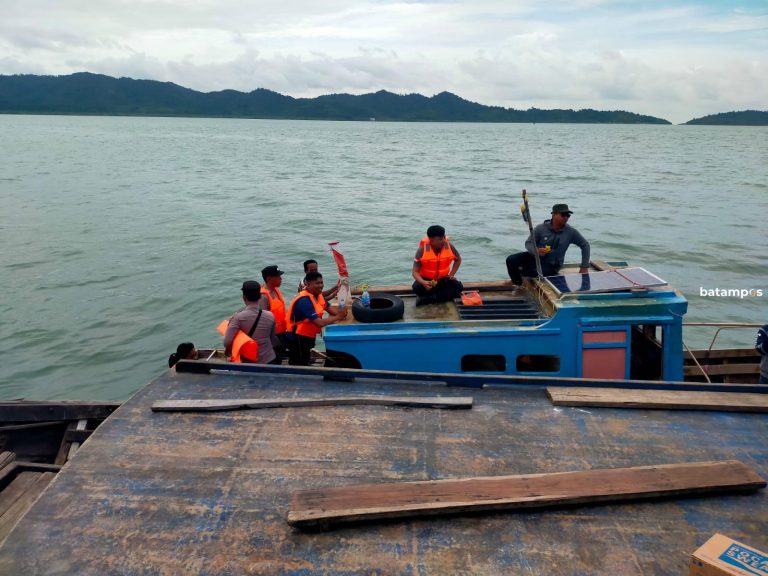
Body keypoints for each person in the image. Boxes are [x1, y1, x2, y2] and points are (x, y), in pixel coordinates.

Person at [505, 203, 590, 285]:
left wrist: (584, 266)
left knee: (531, 271)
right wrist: (536, 250)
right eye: (563, 214)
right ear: (554, 214)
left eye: (568, 215)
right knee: (511, 260)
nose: (566, 217)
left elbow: (585, 245)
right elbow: (529, 243)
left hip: (551, 265)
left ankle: (521, 278)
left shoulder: (571, 232)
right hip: (535, 258)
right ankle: (517, 283)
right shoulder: (540, 228)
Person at [285, 271, 347, 365]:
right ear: (308, 284)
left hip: (307, 335)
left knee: (305, 358)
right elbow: (319, 323)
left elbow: (333, 311)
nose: (320, 285)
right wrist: (339, 316)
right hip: (297, 337)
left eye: (321, 282)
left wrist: (342, 309)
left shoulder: (318, 296)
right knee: (298, 363)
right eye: (317, 283)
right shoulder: (304, 300)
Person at [223, 280, 281, 364]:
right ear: (260, 296)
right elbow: (273, 339)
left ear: (244, 297)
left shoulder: (238, 318)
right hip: (269, 359)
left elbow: (227, 342)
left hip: (249, 362)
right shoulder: (270, 316)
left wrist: (229, 351)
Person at [412, 224, 463, 306]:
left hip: (443, 280)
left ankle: (430, 299)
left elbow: (458, 259)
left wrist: (451, 274)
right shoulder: (421, 250)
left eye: (444, 237)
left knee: (458, 286)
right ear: (431, 239)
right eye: (440, 239)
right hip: (427, 281)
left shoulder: (448, 245)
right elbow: (415, 272)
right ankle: (442, 297)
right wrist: (423, 282)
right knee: (416, 288)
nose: (443, 241)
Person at [260, 265, 288, 362]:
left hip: (281, 332)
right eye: (278, 276)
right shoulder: (263, 297)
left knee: (280, 357)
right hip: (272, 336)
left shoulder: (275, 290)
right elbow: (262, 320)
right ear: (269, 279)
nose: (281, 278)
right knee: (274, 360)